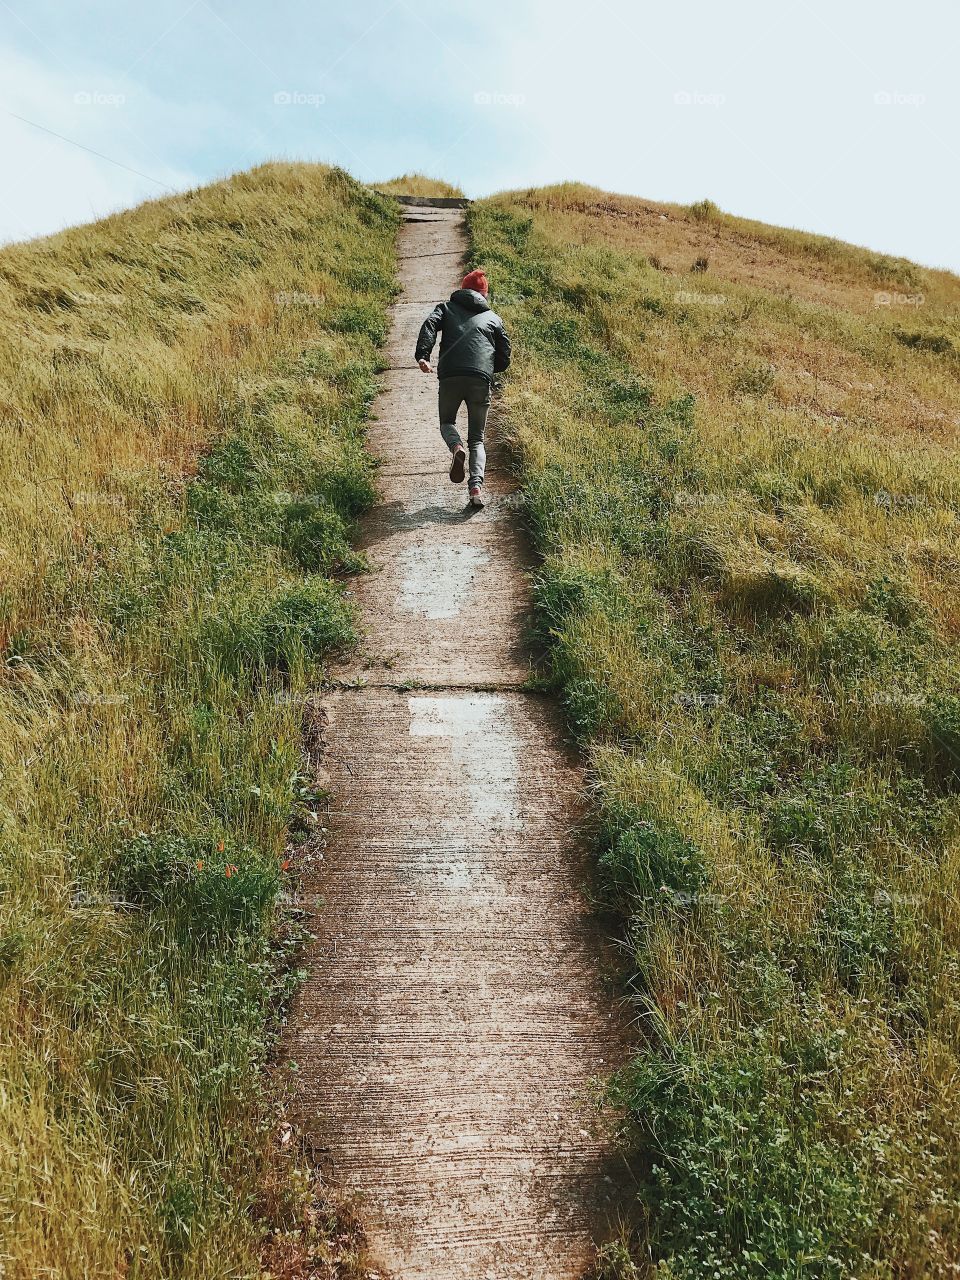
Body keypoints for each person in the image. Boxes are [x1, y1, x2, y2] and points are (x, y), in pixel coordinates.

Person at [415, 269, 511, 508]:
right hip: (480, 379)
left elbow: (430, 324)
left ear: (462, 289)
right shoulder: (493, 318)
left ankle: (456, 447)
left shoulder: (445, 308)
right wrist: (488, 368)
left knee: (447, 422)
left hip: (450, 376)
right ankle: (475, 489)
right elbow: (505, 356)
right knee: (477, 439)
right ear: (483, 295)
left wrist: (423, 356)